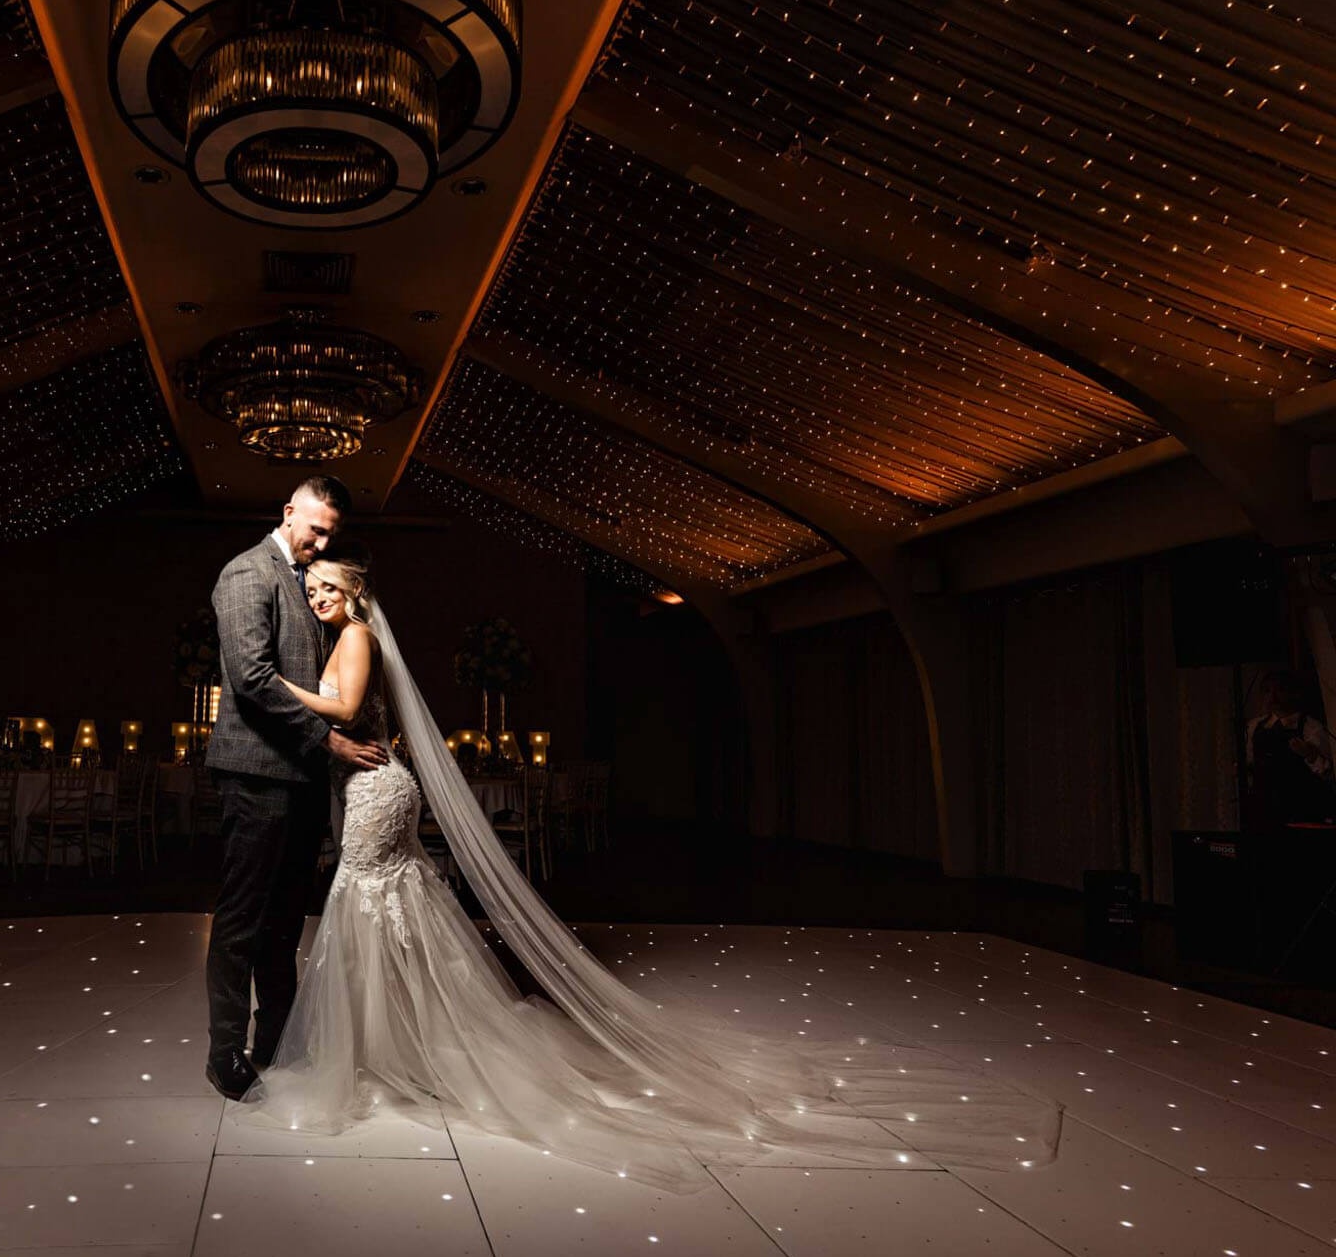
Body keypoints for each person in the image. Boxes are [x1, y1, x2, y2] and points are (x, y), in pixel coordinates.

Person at [227, 554, 1066, 1194]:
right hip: (374, 787)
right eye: (312, 594)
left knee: (367, 903)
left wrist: (270, 685)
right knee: (386, 909)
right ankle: (397, 1046)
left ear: (356, 595)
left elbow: (341, 711)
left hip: (374, 791)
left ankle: (387, 1054)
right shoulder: (347, 637)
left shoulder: (359, 640)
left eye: (328, 591)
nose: (318, 602)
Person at [203, 476, 387, 1102]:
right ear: (288, 513)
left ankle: (275, 1039)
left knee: (284, 924)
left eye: (331, 533)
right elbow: (252, 680)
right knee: (240, 921)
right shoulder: (246, 574)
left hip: (301, 779)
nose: (322, 540)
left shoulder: (308, 580)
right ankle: (224, 1052)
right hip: (256, 776)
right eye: (315, 528)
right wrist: (329, 742)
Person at [1243, 670, 1334, 833]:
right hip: (1263, 813)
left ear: (1294, 694)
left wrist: (1310, 755)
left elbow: (1328, 774)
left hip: (1300, 813)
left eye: (1280, 690)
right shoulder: (1254, 727)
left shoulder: (1311, 728)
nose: (1273, 697)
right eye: (1267, 691)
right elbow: (1249, 765)